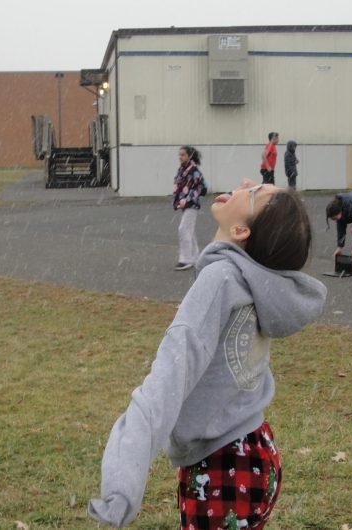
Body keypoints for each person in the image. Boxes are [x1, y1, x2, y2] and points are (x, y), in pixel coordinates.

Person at [89, 180, 327, 529]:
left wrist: (122, 481)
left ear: (240, 229)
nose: (245, 183)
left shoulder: (220, 281)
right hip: (257, 451)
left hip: (223, 468)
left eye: (255, 192)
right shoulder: (254, 282)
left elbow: (168, 378)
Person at [172, 146, 207, 271]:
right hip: (185, 203)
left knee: (183, 228)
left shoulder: (194, 171)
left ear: (189, 156)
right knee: (190, 231)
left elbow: (202, 186)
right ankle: (196, 258)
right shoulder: (182, 169)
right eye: (179, 154)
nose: (180, 157)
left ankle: (185, 259)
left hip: (191, 203)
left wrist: (190, 196)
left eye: (183, 155)